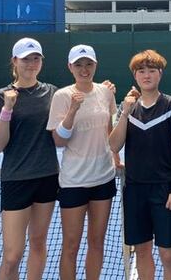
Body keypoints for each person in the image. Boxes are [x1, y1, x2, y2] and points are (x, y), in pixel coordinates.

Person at [109, 49, 171, 280]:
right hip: (135, 191)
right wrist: (124, 112)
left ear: (160, 74)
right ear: (135, 76)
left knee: (168, 256)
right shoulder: (127, 108)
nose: (146, 75)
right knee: (142, 253)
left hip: (165, 190)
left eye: (152, 70)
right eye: (141, 71)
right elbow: (114, 145)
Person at [46, 44, 119, 280]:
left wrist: (116, 158)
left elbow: (109, 129)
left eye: (88, 64)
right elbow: (58, 141)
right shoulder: (62, 96)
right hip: (74, 181)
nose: (84, 69)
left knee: (97, 242)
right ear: (70, 67)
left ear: (95, 65)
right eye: (78, 64)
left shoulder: (106, 92)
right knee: (71, 245)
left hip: (103, 178)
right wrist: (72, 111)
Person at [0, 38, 59, 280]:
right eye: (26, 59)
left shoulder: (52, 92)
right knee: (12, 255)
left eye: (36, 58)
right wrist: (7, 109)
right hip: (16, 180)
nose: (31, 63)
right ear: (14, 61)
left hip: (47, 177)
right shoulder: (0, 96)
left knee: (38, 242)